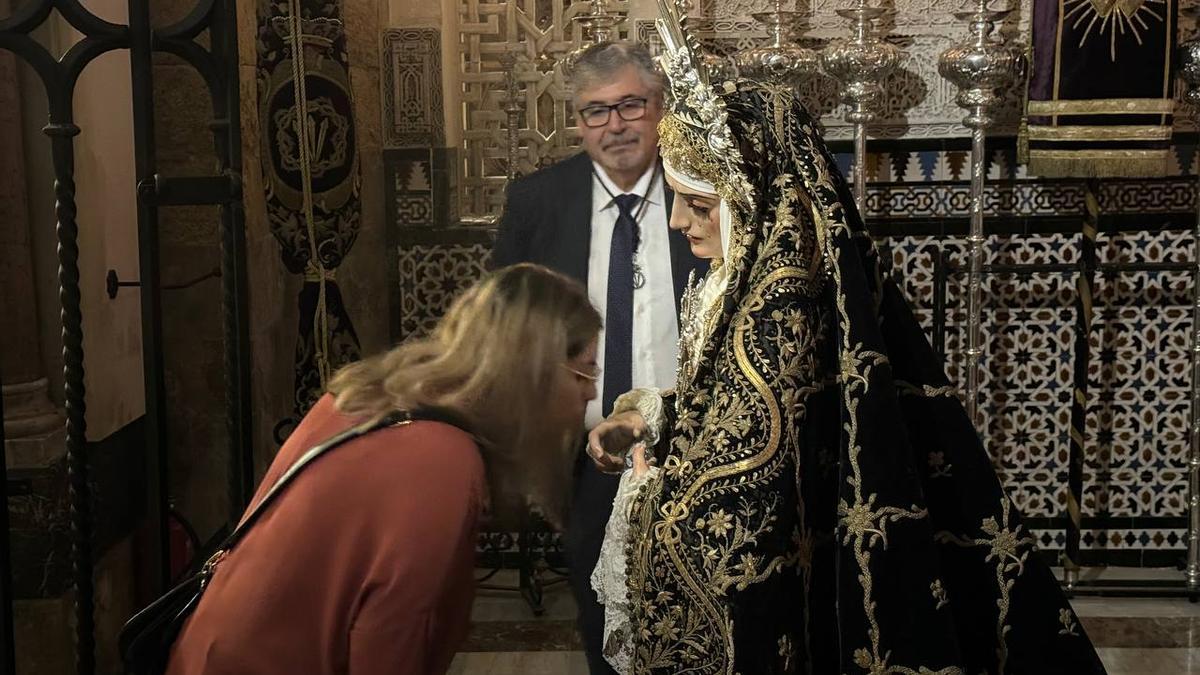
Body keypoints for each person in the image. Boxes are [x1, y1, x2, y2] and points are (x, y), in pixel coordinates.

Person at [585, 5, 1108, 674]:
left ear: (750, 200)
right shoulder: (733, 281)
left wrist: (651, 493)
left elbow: (747, 476)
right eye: (677, 197)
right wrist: (645, 416)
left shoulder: (783, 304)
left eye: (701, 202)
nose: (682, 220)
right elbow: (715, 407)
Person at [164, 264, 602, 675]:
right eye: (583, 373)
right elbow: (391, 644)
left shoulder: (365, 395)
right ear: (532, 373)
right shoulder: (442, 461)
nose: (590, 392)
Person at [491, 40, 704, 674]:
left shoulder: (704, 193)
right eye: (595, 112)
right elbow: (502, 316)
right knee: (598, 606)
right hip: (584, 454)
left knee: (697, 603)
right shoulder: (538, 201)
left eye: (630, 106)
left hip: (692, 443)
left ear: (660, 109)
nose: (614, 126)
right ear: (578, 122)